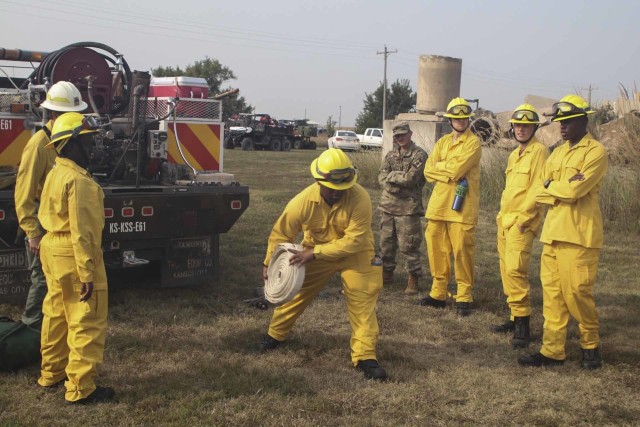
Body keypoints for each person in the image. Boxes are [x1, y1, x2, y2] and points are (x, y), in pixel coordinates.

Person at [259, 148, 386, 380]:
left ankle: (365, 356)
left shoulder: (361, 199)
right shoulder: (302, 202)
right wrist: (269, 263)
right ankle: (275, 335)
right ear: (319, 181)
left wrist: (314, 253)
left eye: (344, 187)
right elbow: (281, 233)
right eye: (333, 188)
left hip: (355, 252)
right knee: (296, 292)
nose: (339, 193)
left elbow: (354, 240)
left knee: (363, 298)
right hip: (314, 251)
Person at [518, 95, 608, 369]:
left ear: (584, 120)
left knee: (577, 293)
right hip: (553, 234)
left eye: (569, 121)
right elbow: (540, 191)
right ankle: (552, 350)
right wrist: (557, 188)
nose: (562, 127)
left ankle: (590, 343)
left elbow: (574, 191)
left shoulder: (595, 152)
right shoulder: (556, 153)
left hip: (580, 235)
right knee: (553, 295)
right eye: (560, 122)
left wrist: (553, 187)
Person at [37, 112, 115, 403]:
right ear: (70, 145)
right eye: (87, 141)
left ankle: (51, 372)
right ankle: (81, 389)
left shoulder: (57, 172)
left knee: (56, 313)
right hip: (73, 252)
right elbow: (84, 234)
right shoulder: (79, 182)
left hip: (53, 249)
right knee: (86, 319)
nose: (94, 147)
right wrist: (87, 274)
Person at [14, 81, 87, 331]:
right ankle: (31, 329)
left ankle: (57, 329)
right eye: (69, 115)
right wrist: (32, 233)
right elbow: (23, 192)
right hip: (43, 227)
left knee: (63, 282)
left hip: (63, 225)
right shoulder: (38, 145)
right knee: (42, 280)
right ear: (55, 114)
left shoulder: (69, 141)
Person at [418, 97, 482, 316]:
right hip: (438, 205)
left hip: (462, 209)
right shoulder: (443, 142)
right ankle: (438, 293)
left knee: (462, 251)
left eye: (464, 118)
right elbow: (427, 171)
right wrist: (449, 169)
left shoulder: (473, 143)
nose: (461, 121)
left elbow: (457, 171)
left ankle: (464, 296)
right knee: (436, 249)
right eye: (457, 117)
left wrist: (442, 169)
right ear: (450, 119)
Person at [493, 104, 549, 348]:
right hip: (504, 220)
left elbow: (538, 189)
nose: (521, 130)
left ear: (534, 127)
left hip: (520, 223)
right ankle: (514, 316)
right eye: (517, 125)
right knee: (507, 271)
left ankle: (523, 325)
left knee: (516, 270)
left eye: (526, 126)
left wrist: (523, 221)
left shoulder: (539, 152)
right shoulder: (514, 154)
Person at [378, 121, 428, 295]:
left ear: (410, 134)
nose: (400, 138)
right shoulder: (391, 154)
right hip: (388, 205)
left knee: (409, 244)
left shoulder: (419, 155)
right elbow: (382, 177)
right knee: (386, 243)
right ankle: (387, 272)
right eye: (397, 135)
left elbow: (411, 179)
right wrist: (394, 181)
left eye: (403, 134)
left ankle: (413, 277)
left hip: (408, 207)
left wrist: (392, 177)